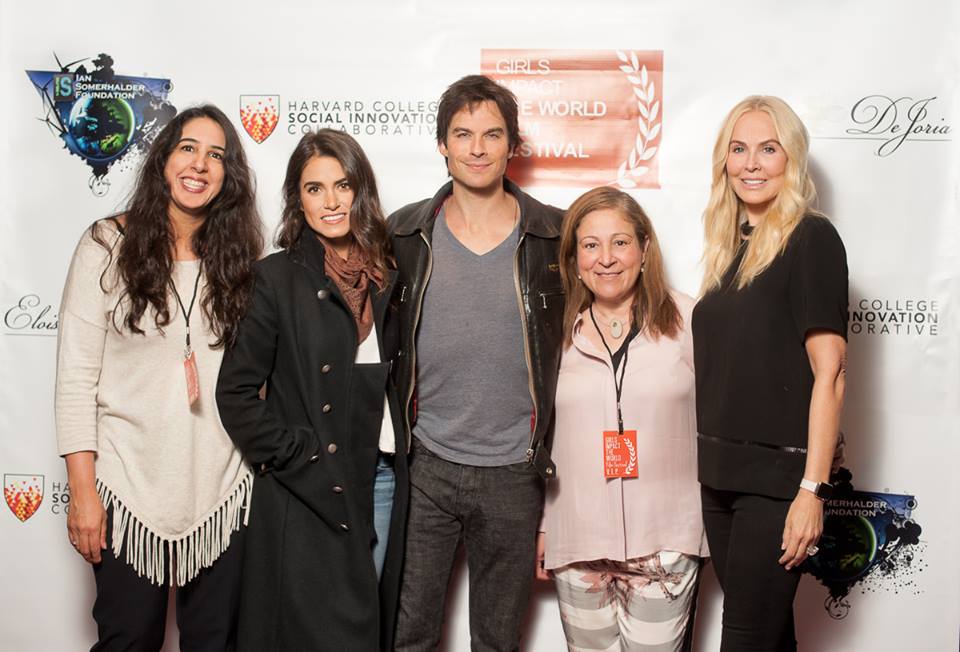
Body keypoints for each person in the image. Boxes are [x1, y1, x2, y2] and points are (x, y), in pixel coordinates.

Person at [55, 104, 263, 651]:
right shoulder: (105, 245)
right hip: (126, 489)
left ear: (229, 175)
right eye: (188, 148)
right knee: (128, 639)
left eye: (216, 155)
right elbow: (75, 379)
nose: (200, 164)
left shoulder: (240, 260)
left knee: (216, 643)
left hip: (223, 490)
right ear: (163, 159)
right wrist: (83, 494)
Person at [389, 74, 565, 651]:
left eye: (492, 134)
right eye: (462, 134)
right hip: (426, 463)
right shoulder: (403, 232)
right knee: (406, 632)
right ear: (442, 143)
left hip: (515, 469)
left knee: (496, 640)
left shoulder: (554, 235)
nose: (478, 148)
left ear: (512, 145)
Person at [215, 129, 407, 652]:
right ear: (297, 198)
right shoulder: (274, 278)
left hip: (381, 478)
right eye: (314, 188)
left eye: (342, 185)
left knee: (363, 630)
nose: (331, 201)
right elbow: (235, 393)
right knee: (309, 634)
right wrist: (298, 454)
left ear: (359, 190)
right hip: (307, 486)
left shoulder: (389, 276)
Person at [692, 95, 848, 651]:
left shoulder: (812, 239)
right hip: (719, 475)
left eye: (768, 148)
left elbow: (829, 375)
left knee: (744, 639)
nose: (751, 163)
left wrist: (812, 490)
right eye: (739, 149)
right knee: (769, 636)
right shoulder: (729, 248)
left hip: (776, 483)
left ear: (791, 159)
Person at [536, 187, 707, 651]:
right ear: (573, 259)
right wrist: (544, 526)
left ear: (645, 248)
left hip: (665, 542)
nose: (606, 258)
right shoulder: (556, 335)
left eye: (620, 242)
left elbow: (726, 416)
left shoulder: (688, 319)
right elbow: (542, 435)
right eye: (590, 245)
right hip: (578, 539)